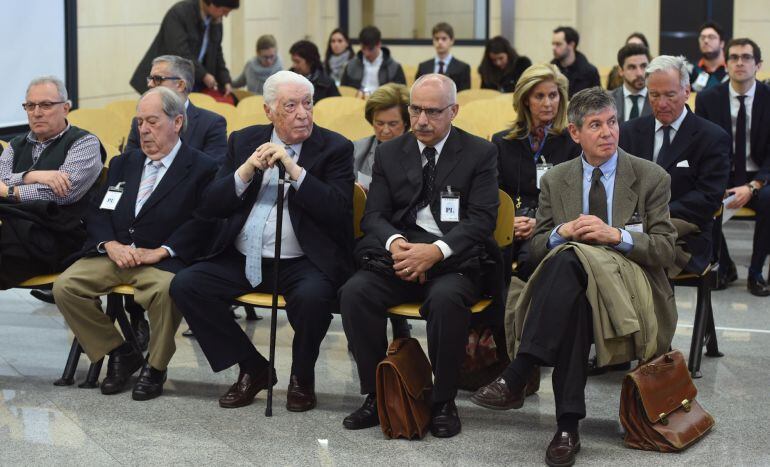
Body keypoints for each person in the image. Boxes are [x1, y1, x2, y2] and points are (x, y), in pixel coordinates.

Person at [471, 87, 677, 467]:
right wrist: (558, 233)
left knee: (569, 262)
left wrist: (617, 235)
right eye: (595, 125)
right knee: (573, 280)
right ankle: (567, 427)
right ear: (575, 133)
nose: (607, 133)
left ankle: (520, 372)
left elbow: (666, 250)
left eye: (612, 122)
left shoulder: (650, 177)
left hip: (630, 287)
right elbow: (533, 251)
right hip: (576, 289)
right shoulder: (557, 180)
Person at [169, 71, 354, 412]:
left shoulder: (335, 148)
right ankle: (253, 368)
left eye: (307, 104)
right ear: (269, 111)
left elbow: (339, 211)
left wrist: (296, 172)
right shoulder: (243, 140)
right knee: (187, 285)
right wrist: (246, 170)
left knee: (314, 299)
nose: (303, 113)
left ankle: (302, 376)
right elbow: (211, 204)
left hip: (303, 261)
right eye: (291, 105)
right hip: (242, 256)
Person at [340, 74, 502, 439]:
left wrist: (435, 251)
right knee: (355, 292)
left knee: (446, 301)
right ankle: (375, 393)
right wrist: (397, 243)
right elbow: (374, 216)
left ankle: (444, 400)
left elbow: (482, 221)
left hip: (453, 258)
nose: (422, 120)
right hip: (399, 256)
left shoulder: (480, 153)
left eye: (432, 111)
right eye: (415, 110)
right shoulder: (390, 152)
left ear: (454, 111)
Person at [52, 87, 218, 400]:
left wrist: (163, 250)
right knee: (65, 287)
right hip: (115, 255)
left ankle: (155, 368)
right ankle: (119, 351)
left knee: (167, 291)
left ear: (177, 122)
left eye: (152, 122)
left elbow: (203, 221)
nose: (143, 129)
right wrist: (108, 244)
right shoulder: (123, 163)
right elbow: (99, 210)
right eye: (139, 122)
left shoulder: (202, 168)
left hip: (159, 258)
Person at [619, 55, 730, 277]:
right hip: (630, 228)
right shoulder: (628, 132)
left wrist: (655, 215)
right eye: (654, 95)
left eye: (670, 95)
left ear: (687, 91)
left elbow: (708, 197)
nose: (661, 104)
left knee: (637, 266)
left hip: (686, 235)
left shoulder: (712, 137)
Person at [0, 76, 103, 288]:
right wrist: (32, 175)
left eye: (46, 105)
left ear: (65, 108)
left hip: (57, 236)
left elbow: (62, 194)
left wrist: (10, 191)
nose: (36, 112)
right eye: (30, 106)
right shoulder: (15, 145)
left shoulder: (84, 143)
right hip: (14, 230)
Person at [696, 38, 770, 296]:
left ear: (758, 64)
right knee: (703, 197)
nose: (740, 62)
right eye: (734, 57)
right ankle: (725, 266)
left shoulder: (768, 97)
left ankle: (756, 272)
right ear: (726, 64)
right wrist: (718, 182)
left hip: (759, 176)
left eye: (747, 57)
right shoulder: (708, 99)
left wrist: (754, 185)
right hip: (721, 173)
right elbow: (703, 148)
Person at [493, 64, 580, 281]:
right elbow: (493, 193)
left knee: (532, 258)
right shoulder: (502, 142)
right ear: (525, 100)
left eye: (553, 95)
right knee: (488, 258)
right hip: (510, 225)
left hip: (550, 226)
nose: (548, 103)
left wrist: (540, 223)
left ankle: (522, 312)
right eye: (539, 96)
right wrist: (506, 222)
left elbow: (575, 197)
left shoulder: (573, 142)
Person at [126, 55, 227, 163]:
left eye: (157, 79)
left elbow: (213, 173)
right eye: (150, 79)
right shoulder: (140, 122)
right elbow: (128, 166)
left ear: (180, 85)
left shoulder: (211, 124)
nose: (150, 84)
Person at [129, 0, 239, 95]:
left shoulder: (215, 21)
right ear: (212, 3)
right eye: (224, 11)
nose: (225, 16)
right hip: (164, 80)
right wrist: (204, 75)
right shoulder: (179, 13)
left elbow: (217, 53)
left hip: (191, 81)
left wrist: (225, 81)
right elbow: (180, 53)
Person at [353, 83, 410, 188]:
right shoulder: (356, 150)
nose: (385, 130)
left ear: (406, 122)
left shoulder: (421, 151)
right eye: (379, 123)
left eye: (393, 124)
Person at [340, 26, 406, 97]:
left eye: (370, 49)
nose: (366, 53)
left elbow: (402, 95)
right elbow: (344, 91)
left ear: (379, 44)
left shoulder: (394, 68)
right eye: (363, 48)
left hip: (382, 105)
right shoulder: (351, 66)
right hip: (355, 103)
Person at [415, 22, 471, 91]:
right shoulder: (423, 67)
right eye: (436, 39)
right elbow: (417, 92)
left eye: (444, 39)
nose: (440, 42)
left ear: (452, 41)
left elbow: (464, 95)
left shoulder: (463, 68)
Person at [551, 26, 600, 97]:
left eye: (558, 44)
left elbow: (597, 101)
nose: (554, 48)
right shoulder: (550, 71)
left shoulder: (590, 72)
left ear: (571, 45)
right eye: (553, 44)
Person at [611, 43, 652, 124]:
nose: (640, 73)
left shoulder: (659, 100)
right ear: (621, 71)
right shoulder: (608, 100)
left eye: (643, 66)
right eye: (632, 67)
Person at [690, 21, 728, 92]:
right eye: (702, 37)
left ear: (722, 43)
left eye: (711, 37)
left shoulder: (731, 70)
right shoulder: (691, 71)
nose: (706, 41)